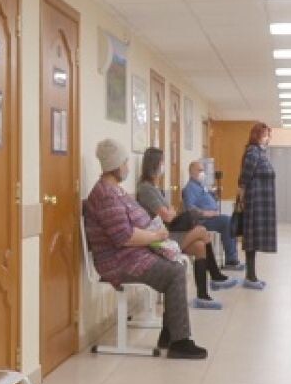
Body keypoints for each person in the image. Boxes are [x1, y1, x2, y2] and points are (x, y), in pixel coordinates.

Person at [84, 138, 208, 359]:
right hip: (118, 262)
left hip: (133, 254)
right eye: (125, 162)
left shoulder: (116, 191)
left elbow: (137, 221)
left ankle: (170, 334)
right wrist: (155, 236)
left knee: (176, 265)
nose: (127, 167)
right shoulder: (105, 195)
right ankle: (179, 341)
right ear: (115, 165)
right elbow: (124, 236)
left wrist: (155, 234)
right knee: (174, 272)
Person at [136, 148, 236, 310]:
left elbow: (170, 212)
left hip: (164, 235)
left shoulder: (154, 188)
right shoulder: (146, 189)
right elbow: (168, 216)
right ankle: (215, 276)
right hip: (156, 241)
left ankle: (202, 296)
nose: (163, 165)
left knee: (200, 246)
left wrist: (170, 212)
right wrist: (170, 212)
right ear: (154, 164)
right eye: (162, 162)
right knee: (201, 231)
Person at [182, 161, 244, 270]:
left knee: (231, 221)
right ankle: (231, 261)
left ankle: (233, 259)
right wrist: (207, 213)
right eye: (199, 170)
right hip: (203, 220)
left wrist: (215, 194)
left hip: (213, 217)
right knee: (227, 222)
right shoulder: (189, 188)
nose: (202, 173)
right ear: (191, 172)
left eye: (203, 170)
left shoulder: (201, 186)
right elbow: (190, 209)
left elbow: (209, 198)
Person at [237, 122, 276, 289]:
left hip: (261, 202)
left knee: (254, 239)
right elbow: (244, 178)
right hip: (254, 202)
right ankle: (250, 277)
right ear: (257, 135)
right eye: (265, 135)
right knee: (251, 239)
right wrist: (242, 197)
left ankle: (252, 275)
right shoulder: (253, 152)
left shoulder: (260, 153)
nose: (268, 138)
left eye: (268, 135)